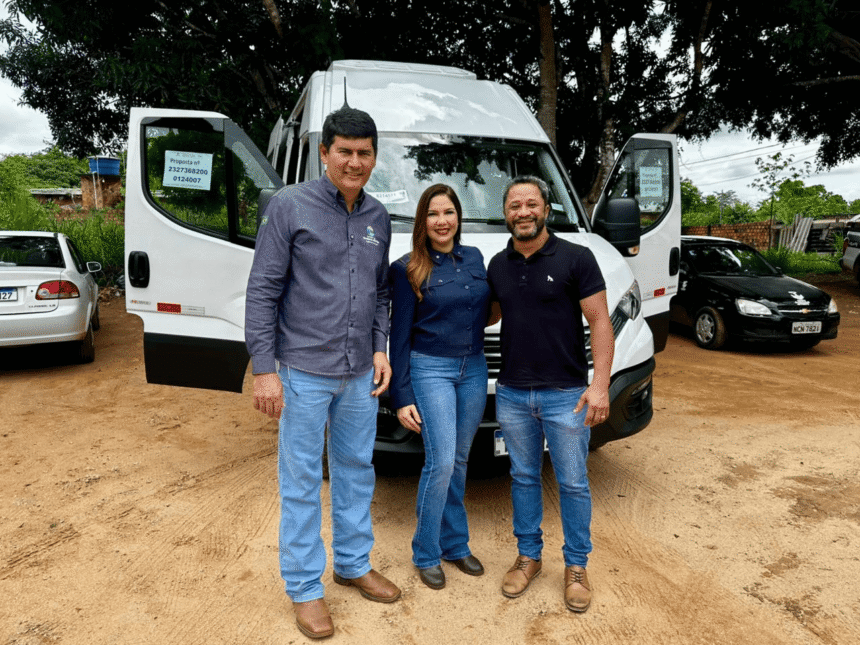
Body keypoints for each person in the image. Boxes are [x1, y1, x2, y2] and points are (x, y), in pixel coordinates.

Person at [245, 106, 400, 640]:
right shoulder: (290, 205)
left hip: (358, 374)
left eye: (364, 153)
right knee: (303, 480)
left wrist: (380, 348)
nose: (355, 162)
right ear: (324, 153)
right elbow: (262, 290)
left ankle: (353, 564)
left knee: (357, 470)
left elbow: (381, 293)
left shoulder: (378, 216)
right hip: (303, 371)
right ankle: (305, 587)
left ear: (374, 157)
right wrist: (264, 370)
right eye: (345, 152)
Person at [486, 175, 615, 613]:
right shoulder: (498, 265)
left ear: (546, 209)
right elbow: (488, 315)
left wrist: (600, 385)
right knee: (523, 477)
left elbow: (600, 321)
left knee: (573, 483)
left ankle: (576, 566)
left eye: (531, 204)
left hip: (567, 394)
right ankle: (529, 557)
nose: (523, 212)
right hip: (512, 393)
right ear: (506, 214)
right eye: (514, 206)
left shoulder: (577, 258)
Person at [388, 184, 491, 590]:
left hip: (474, 368)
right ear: (422, 221)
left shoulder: (476, 258)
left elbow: (488, 311)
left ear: (458, 217)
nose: (442, 221)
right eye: (433, 214)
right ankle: (426, 551)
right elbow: (399, 337)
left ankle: (455, 544)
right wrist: (402, 396)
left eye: (448, 212)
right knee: (441, 460)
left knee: (460, 460)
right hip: (430, 368)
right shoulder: (407, 268)